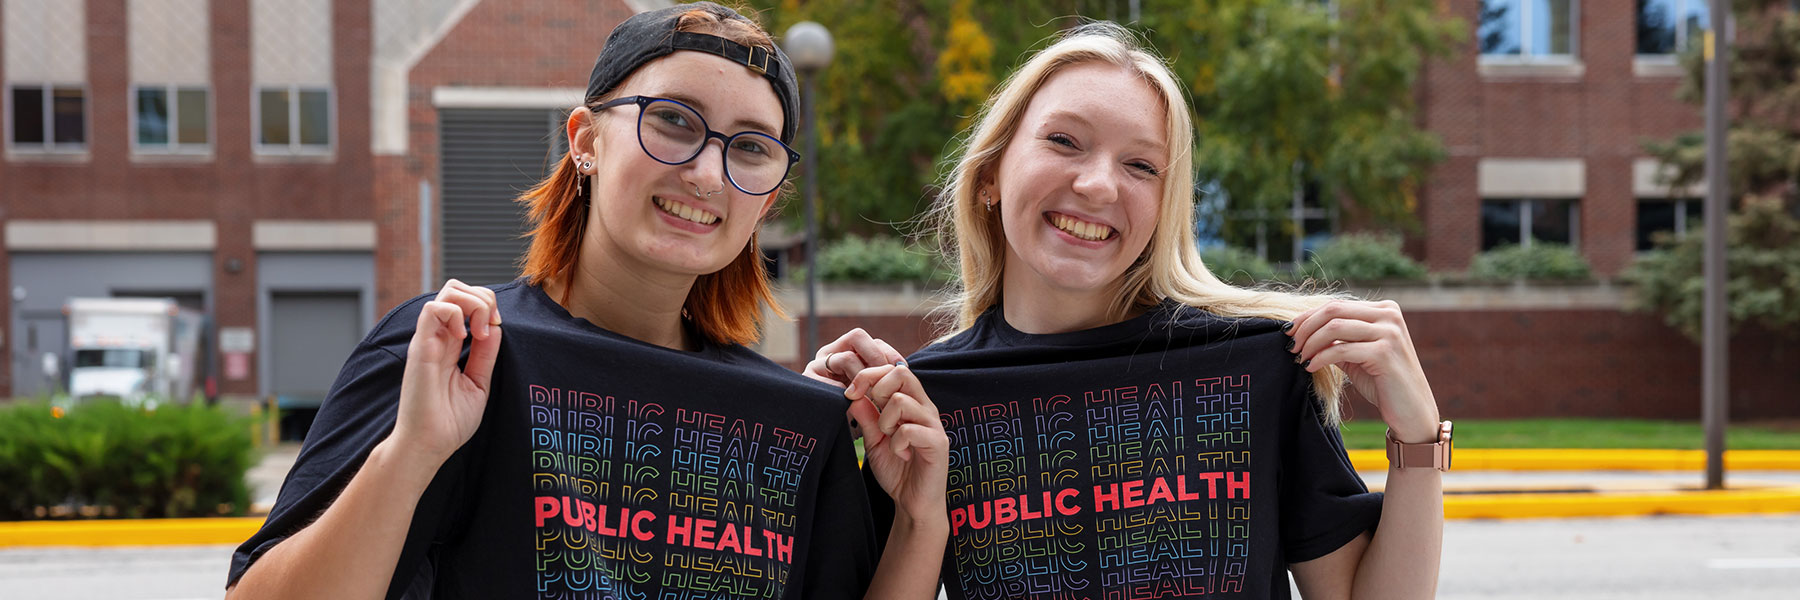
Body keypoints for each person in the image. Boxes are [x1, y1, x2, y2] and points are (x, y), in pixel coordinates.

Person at [225, 4, 947, 598]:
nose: (705, 172)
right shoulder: (458, 356)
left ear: (769, 200)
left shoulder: (790, 427)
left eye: (752, 147)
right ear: (585, 141)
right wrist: (409, 453)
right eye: (673, 120)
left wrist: (920, 519)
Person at [808, 22, 1445, 599]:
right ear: (990, 177)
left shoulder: (1252, 367)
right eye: (1064, 141)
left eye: (1140, 165)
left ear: (1165, 205)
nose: (1098, 185)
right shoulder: (929, 407)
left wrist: (1419, 441)